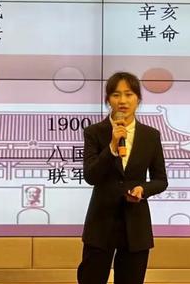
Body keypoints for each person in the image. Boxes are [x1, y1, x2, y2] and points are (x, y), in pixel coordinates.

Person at [77, 71, 168, 284]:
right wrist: (111, 147)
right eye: (116, 95)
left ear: (138, 99)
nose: (123, 101)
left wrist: (143, 190)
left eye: (129, 94)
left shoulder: (151, 136)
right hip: (101, 222)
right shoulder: (94, 132)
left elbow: (161, 180)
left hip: (136, 224)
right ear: (108, 99)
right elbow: (91, 176)